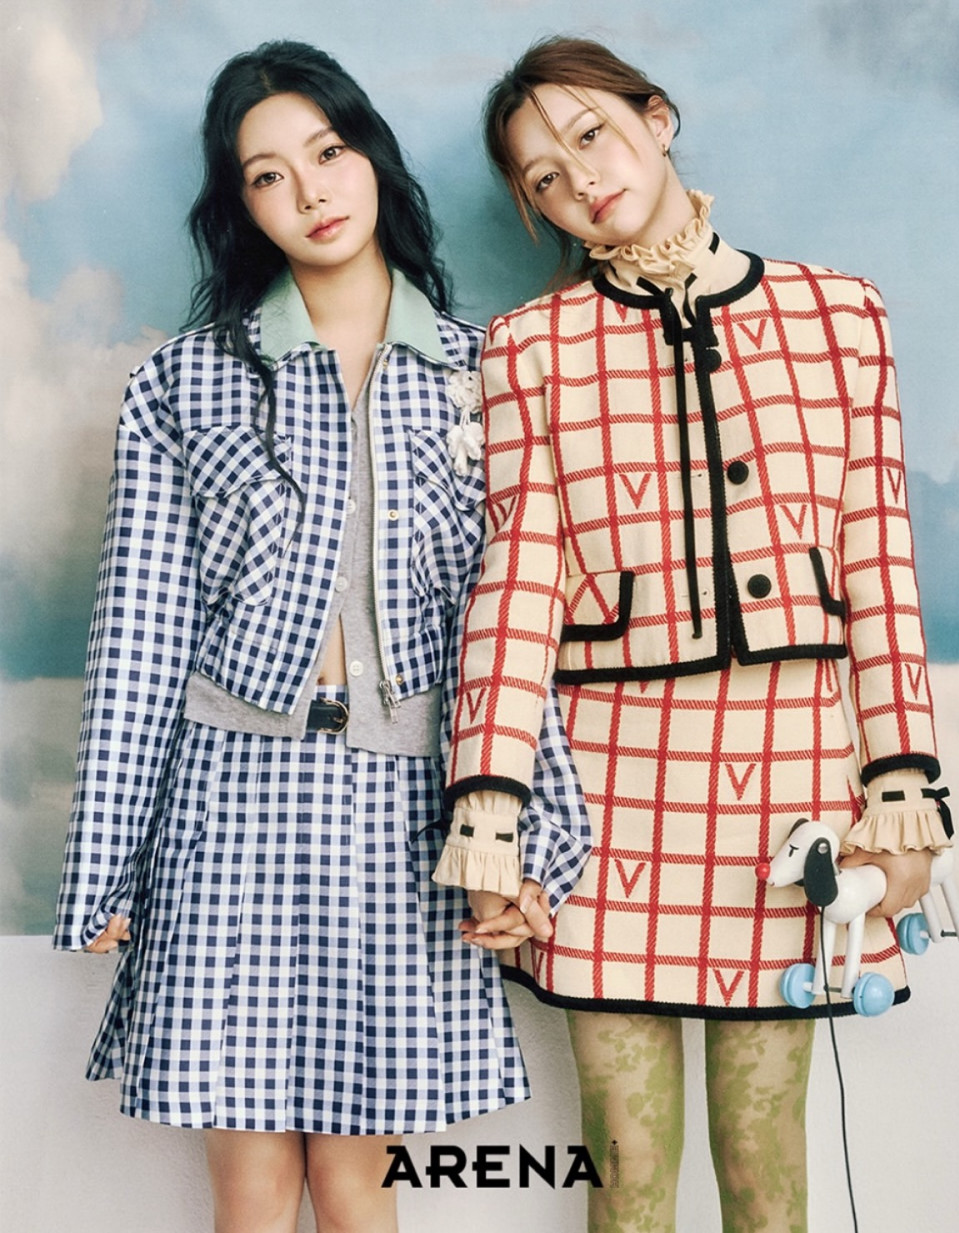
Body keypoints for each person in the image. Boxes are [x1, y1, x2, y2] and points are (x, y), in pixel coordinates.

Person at [53, 40, 588, 1233]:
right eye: (267, 175)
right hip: (230, 800)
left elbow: (514, 630)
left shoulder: (490, 371)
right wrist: (105, 864)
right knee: (250, 1193)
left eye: (328, 151)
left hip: (408, 814)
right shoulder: (185, 383)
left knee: (356, 1186)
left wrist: (537, 842)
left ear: (373, 159)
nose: (309, 191)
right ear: (239, 207)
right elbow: (139, 633)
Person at [433, 36, 953, 1232]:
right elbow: (515, 584)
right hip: (607, 791)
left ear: (656, 119)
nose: (578, 179)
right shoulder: (529, 348)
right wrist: (489, 803)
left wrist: (901, 786)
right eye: (543, 176)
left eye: (590, 135)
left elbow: (877, 557)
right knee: (625, 1173)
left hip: (785, 792)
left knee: (766, 1163)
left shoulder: (841, 316)